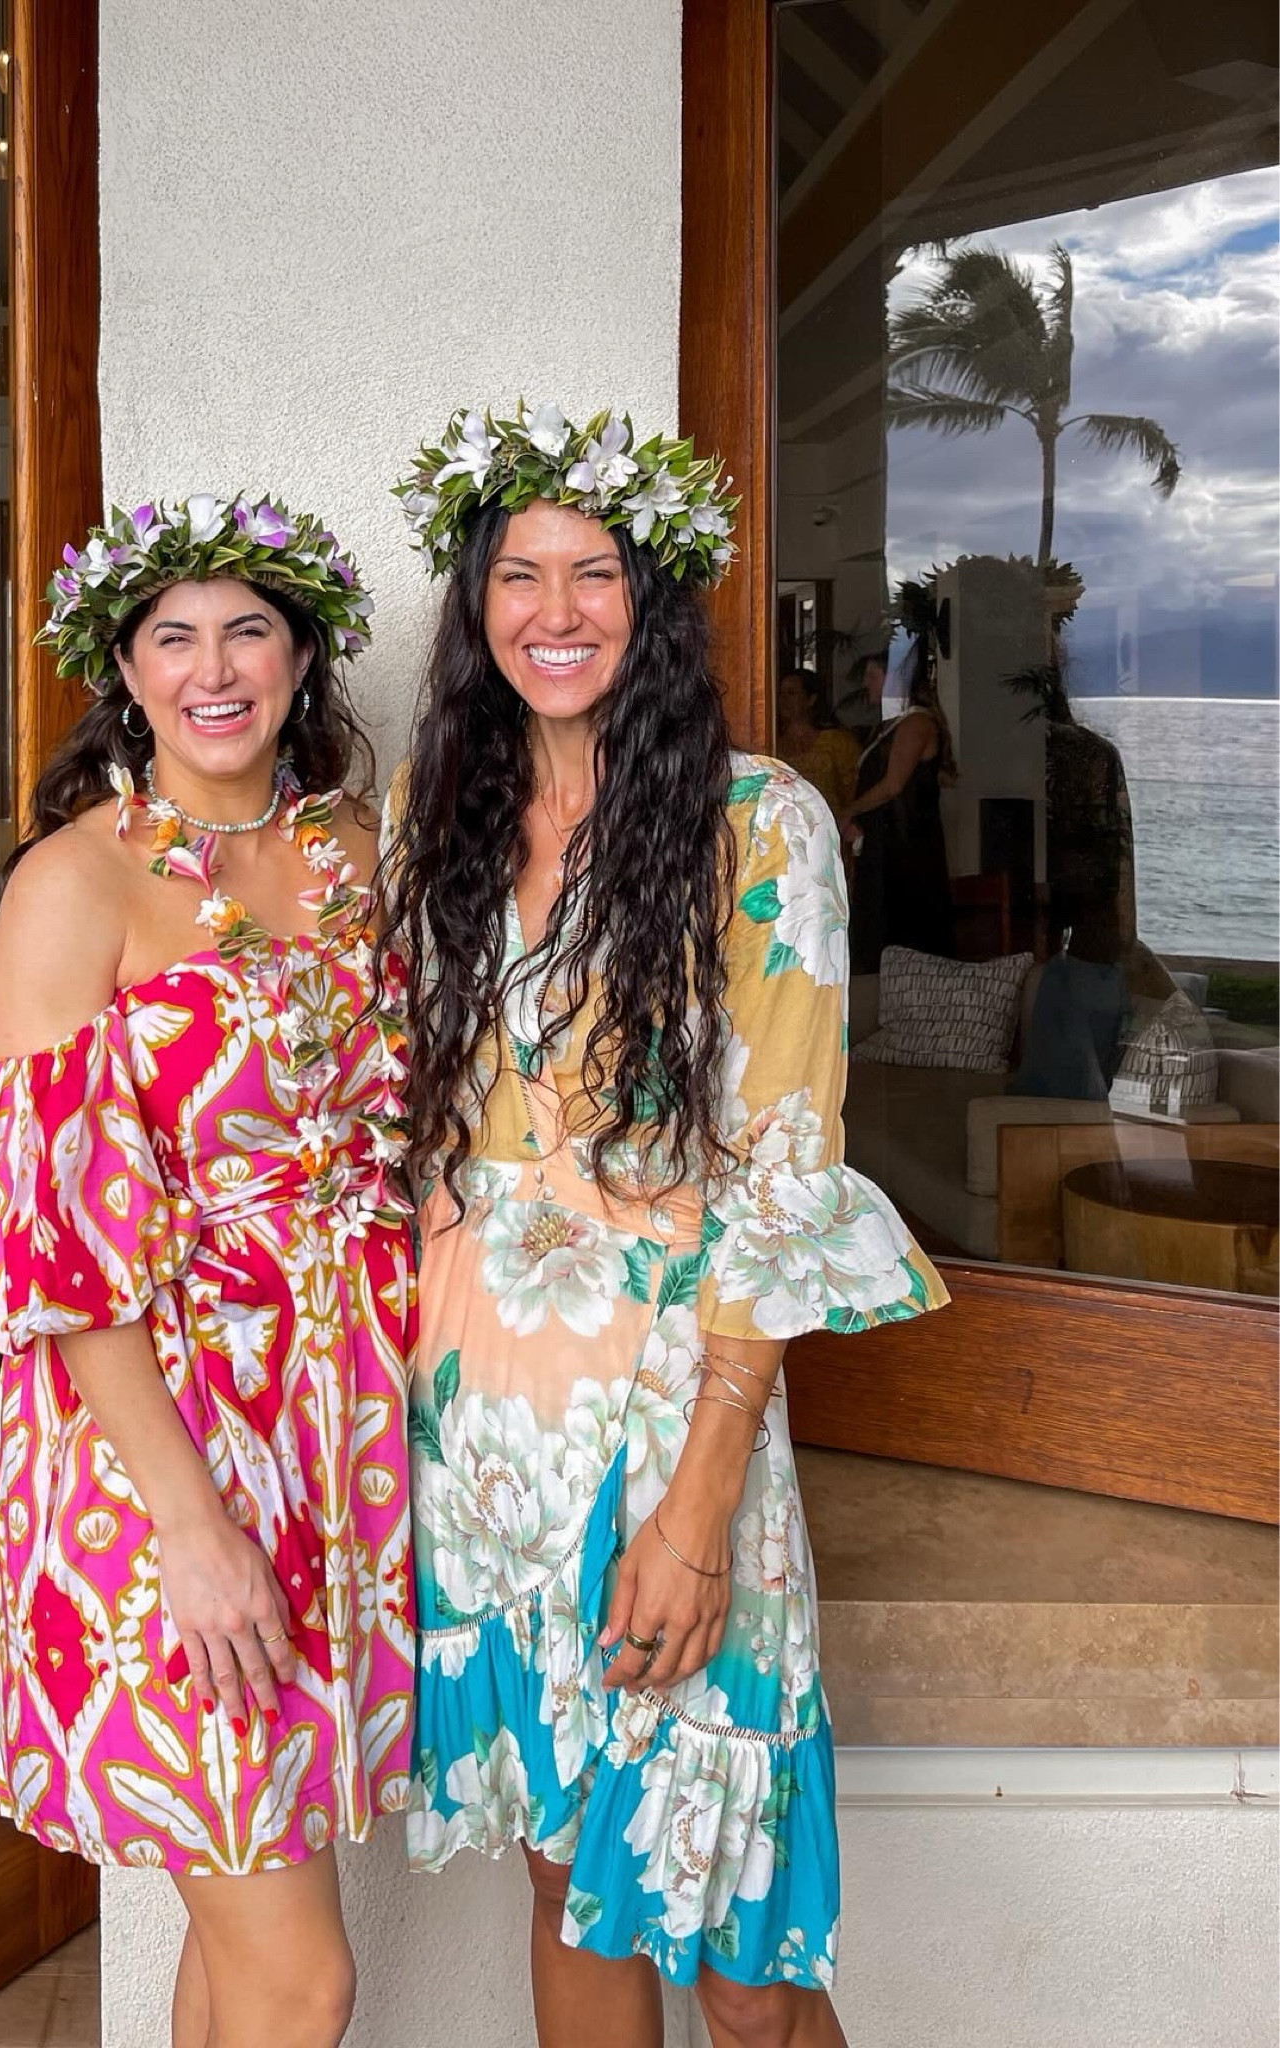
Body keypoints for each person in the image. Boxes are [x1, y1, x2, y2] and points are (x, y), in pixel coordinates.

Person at [383, 405, 949, 2048]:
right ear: (475, 609)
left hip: (672, 1415)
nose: (556, 609)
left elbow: (780, 1169)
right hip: (477, 1430)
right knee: (570, 1883)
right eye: (519, 574)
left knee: (744, 1960)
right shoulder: (437, 814)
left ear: (656, 603)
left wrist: (702, 1502)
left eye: (596, 573)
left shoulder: (763, 822)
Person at [0, 495, 412, 2048]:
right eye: (172, 636)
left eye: (248, 629)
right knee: (299, 1974)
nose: (213, 668)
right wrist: (192, 1531)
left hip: (334, 1432)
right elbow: (50, 1255)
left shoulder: (350, 844)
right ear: (124, 674)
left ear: (299, 657)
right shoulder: (71, 890)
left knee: (238, 1922)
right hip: (161, 1455)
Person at [843, 644, 957, 973]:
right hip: (880, 849)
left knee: (907, 933)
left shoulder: (917, 723)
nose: (867, 684)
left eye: (873, 676)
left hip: (907, 853)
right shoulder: (887, 728)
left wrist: (848, 810)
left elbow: (893, 785)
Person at [774, 665, 862, 824]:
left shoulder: (837, 742)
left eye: (791, 693)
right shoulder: (771, 744)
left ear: (811, 699)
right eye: (780, 694)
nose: (783, 700)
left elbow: (853, 792)